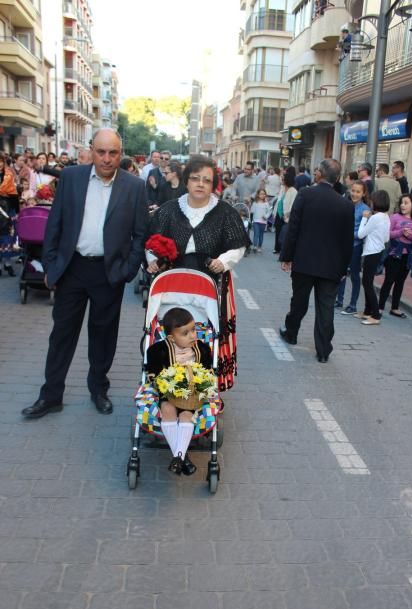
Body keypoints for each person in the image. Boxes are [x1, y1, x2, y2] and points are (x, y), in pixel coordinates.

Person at [22, 128, 148, 419]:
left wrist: (127, 271)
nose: (106, 158)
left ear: (120, 154)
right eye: (101, 151)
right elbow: (55, 223)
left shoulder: (134, 187)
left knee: (103, 336)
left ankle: (98, 389)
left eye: (113, 153)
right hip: (73, 270)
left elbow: (141, 234)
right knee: (62, 335)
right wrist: (52, 267)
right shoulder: (71, 178)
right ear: (92, 150)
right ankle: (51, 395)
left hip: (109, 272)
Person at [146, 155, 250, 391]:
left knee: (207, 334)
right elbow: (152, 243)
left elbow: (238, 245)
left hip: (211, 281)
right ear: (186, 181)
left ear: (213, 184)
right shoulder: (170, 210)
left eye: (206, 180)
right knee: (169, 330)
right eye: (195, 179)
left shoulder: (224, 212)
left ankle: (203, 385)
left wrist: (223, 261)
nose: (200, 184)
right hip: (172, 282)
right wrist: (153, 260)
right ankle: (165, 379)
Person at [279, 158, 354, 362]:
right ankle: (323, 350)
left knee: (299, 302)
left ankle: (291, 333)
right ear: (337, 178)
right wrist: (343, 268)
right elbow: (348, 241)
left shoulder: (305, 195)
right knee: (326, 308)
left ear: (319, 173)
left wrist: (287, 257)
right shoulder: (346, 205)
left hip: (304, 262)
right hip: (331, 266)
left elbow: (293, 228)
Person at [146, 307, 213, 476]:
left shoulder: (202, 350)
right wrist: (167, 383)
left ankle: (178, 457)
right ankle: (182, 458)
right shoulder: (158, 350)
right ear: (171, 337)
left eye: (193, 330)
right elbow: (153, 374)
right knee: (167, 408)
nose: (192, 335)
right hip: (169, 389)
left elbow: (206, 374)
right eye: (185, 333)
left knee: (186, 416)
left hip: (192, 393)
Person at [378, 193, 412, 318]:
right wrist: (400, 232)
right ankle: (380, 307)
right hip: (394, 254)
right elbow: (387, 234)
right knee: (389, 280)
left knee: (400, 281)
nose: (403, 205)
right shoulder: (394, 217)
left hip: (409, 255)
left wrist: (411, 236)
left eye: (406, 203)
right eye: (402, 203)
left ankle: (395, 307)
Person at [336, 179, 371, 313]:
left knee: (355, 276)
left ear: (363, 194)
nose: (355, 194)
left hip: (355, 247)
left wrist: (349, 234)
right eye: (353, 191)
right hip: (342, 245)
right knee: (341, 273)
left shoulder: (365, 210)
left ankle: (353, 305)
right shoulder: (345, 204)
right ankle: (339, 300)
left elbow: (364, 232)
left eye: (358, 192)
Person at [356, 190, 390, 325]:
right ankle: (367, 311)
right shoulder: (386, 217)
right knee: (367, 281)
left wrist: (365, 218)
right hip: (379, 250)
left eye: (372, 200)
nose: (370, 202)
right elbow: (387, 237)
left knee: (367, 283)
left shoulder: (375, 217)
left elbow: (360, 234)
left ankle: (375, 315)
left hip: (371, 252)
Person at [251, 188, 271, 253]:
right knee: (256, 233)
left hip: (263, 222)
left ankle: (259, 246)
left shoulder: (266, 203)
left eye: (263, 194)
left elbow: (269, 211)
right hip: (256, 221)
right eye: (261, 194)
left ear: (265, 195)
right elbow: (252, 211)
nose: (262, 195)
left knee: (261, 234)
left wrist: (266, 216)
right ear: (258, 195)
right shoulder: (255, 203)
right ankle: (254, 246)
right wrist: (251, 205)